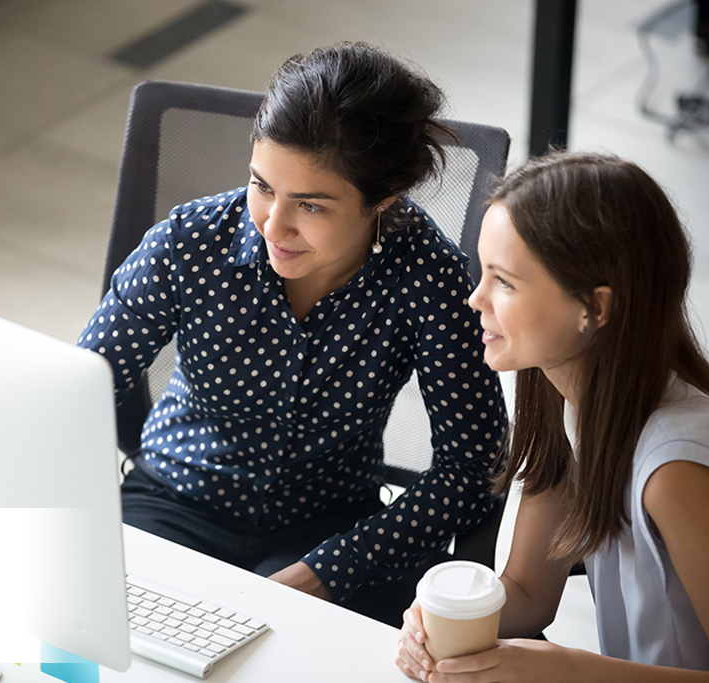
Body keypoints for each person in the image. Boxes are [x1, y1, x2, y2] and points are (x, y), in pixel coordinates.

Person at [77, 42, 508, 623]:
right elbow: (77, 394)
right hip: (174, 501)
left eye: (311, 205)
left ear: (384, 199)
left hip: (331, 528)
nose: (273, 226)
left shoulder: (427, 276)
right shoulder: (190, 243)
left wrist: (332, 569)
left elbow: (472, 465)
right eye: (262, 186)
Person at [395, 151, 709, 681]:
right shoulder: (567, 400)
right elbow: (531, 594)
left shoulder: (678, 475)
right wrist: (440, 624)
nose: (474, 299)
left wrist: (569, 669)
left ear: (595, 309)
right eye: (483, 273)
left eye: (504, 282)